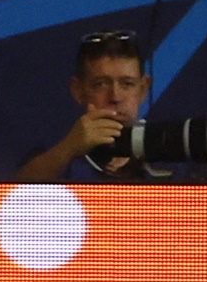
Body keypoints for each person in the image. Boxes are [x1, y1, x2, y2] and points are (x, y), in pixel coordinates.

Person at [16, 30, 168, 182]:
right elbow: (16, 193)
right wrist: (70, 147)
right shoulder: (57, 157)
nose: (115, 97)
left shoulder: (167, 159)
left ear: (142, 89)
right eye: (100, 84)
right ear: (78, 90)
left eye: (127, 84)